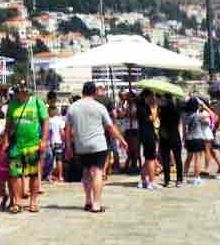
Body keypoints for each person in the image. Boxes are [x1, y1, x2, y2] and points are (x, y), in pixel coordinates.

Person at [65, 82, 127, 213]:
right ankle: (96, 204)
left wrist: (68, 147)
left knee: (86, 173)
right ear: (94, 93)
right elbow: (110, 127)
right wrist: (121, 140)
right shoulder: (100, 107)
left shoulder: (73, 107)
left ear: (83, 92)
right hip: (98, 145)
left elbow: (67, 130)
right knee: (97, 172)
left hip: (81, 145)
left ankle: (88, 201)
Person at [4, 82, 48, 214]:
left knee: (33, 174)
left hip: (32, 145)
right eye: (19, 92)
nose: (20, 95)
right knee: (15, 174)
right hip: (16, 146)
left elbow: (45, 121)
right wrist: (6, 141)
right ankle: (17, 202)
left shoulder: (36, 103)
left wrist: (44, 140)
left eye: (23, 92)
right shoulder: (12, 104)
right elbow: (8, 125)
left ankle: (33, 202)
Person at [136, 90, 161, 190]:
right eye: (151, 96)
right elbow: (152, 119)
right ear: (146, 97)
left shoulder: (142, 107)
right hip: (147, 134)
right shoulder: (143, 108)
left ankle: (142, 181)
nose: (153, 98)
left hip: (145, 134)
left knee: (147, 159)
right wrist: (155, 108)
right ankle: (151, 181)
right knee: (151, 159)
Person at [158, 94, 184, 187]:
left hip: (164, 135)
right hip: (175, 135)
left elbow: (160, 119)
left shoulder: (161, 109)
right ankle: (179, 180)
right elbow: (179, 122)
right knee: (178, 159)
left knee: (165, 159)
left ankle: (167, 180)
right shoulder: (177, 109)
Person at [183, 98, 209, 186]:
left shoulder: (186, 116)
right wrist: (205, 106)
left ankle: (184, 177)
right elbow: (211, 117)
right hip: (198, 138)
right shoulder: (198, 116)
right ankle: (196, 178)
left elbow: (184, 130)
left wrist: (184, 139)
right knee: (197, 159)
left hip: (189, 139)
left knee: (188, 159)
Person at [48, 104, 66, 182]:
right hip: (58, 142)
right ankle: (60, 176)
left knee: (51, 161)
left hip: (50, 143)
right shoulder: (60, 120)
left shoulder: (48, 120)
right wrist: (64, 140)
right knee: (59, 160)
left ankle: (50, 175)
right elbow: (62, 132)